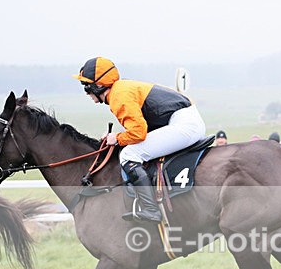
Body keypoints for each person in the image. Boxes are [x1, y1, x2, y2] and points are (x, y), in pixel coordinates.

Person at [73, 56, 206, 221]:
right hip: (184, 120)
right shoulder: (121, 89)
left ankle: (151, 209)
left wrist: (117, 138)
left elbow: (138, 133)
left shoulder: (118, 96)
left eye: (86, 86)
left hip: (184, 125)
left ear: (99, 85)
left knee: (129, 154)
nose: (86, 92)